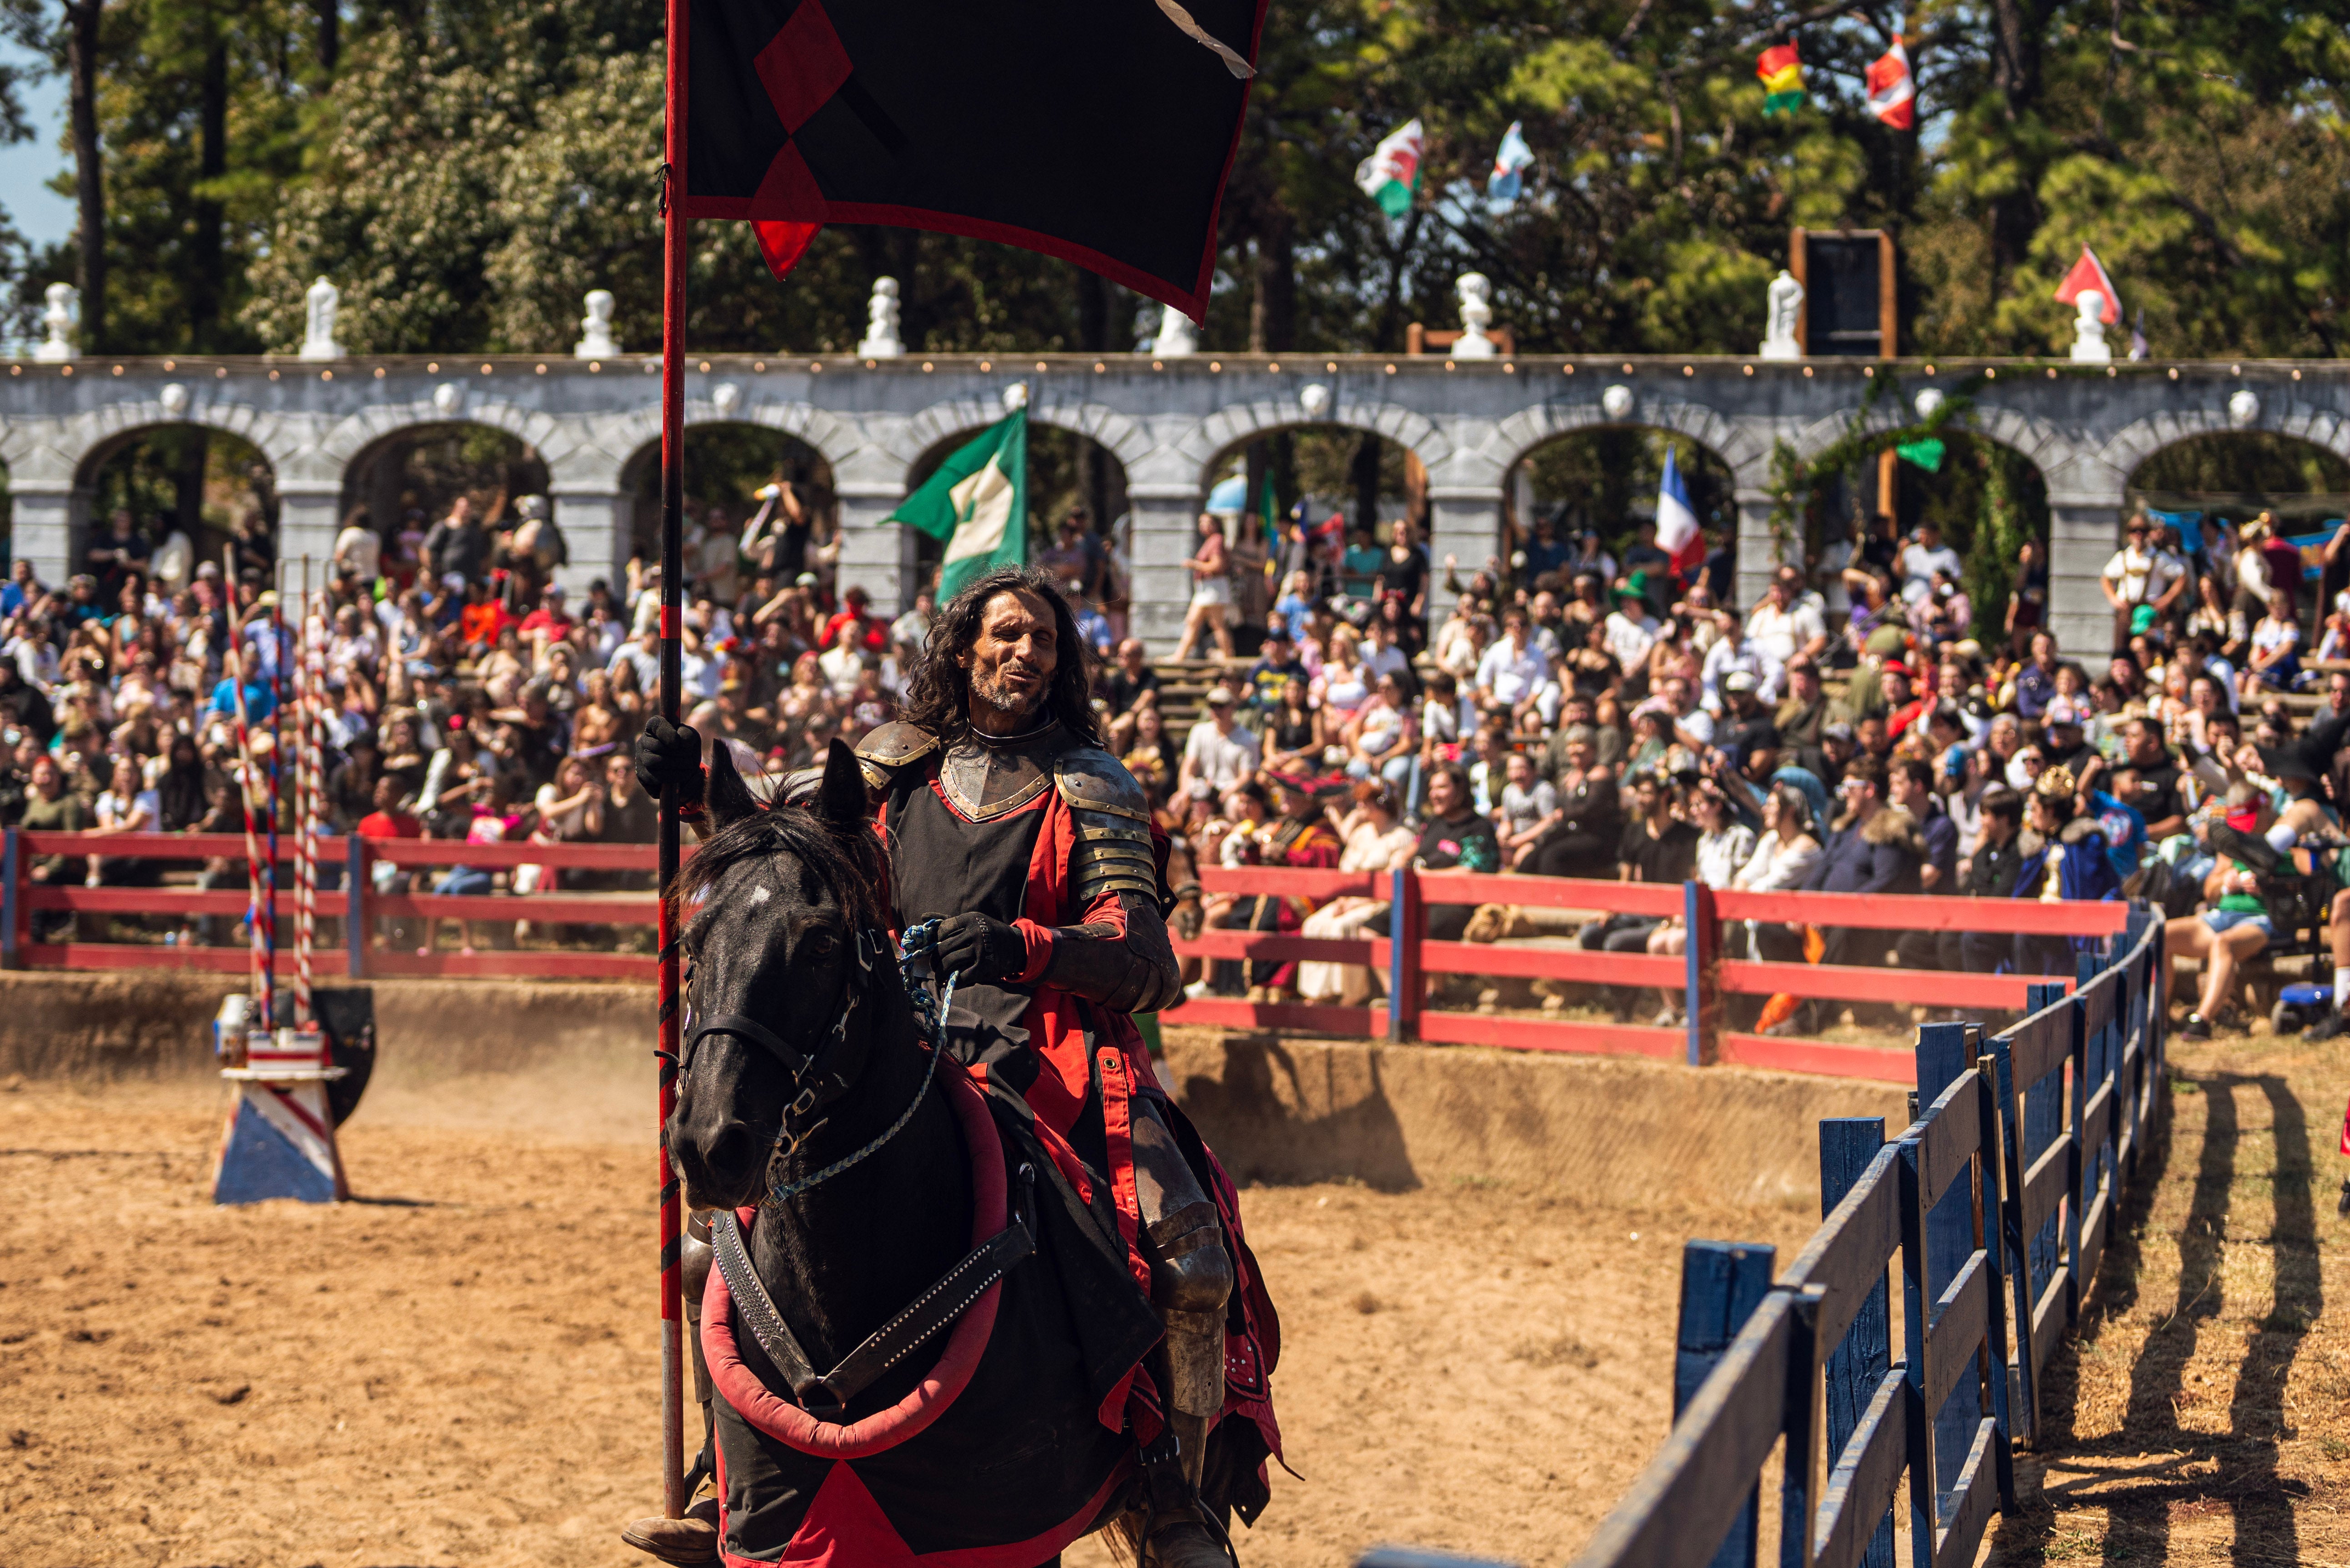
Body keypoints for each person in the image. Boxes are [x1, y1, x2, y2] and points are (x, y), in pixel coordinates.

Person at [633, 566, 1278, 1568]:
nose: (1027, 654)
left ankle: (1169, 1492)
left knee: (1187, 1253)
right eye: (1007, 634)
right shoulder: (892, 765)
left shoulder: (1092, 784)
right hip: (892, 1042)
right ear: (962, 647)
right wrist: (686, 781)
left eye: (1045, 642)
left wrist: (1024, 943)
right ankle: (733, 1470)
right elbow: (769, 827)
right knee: (708, 1251)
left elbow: (1148, 965)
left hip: (1047, 1053)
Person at [1175, 513, 1234, 660]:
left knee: (1218, 625)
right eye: (1201, 522)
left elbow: (1217, 565)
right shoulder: (1210, 540)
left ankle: (1229, 658)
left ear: (1216, 525)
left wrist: (1194, 565)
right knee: (1193, 622)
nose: (1204, 525)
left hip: (1213, 588)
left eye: (1208, 522)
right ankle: (1179, 657)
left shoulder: (1217, 540)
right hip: (1205, 589)